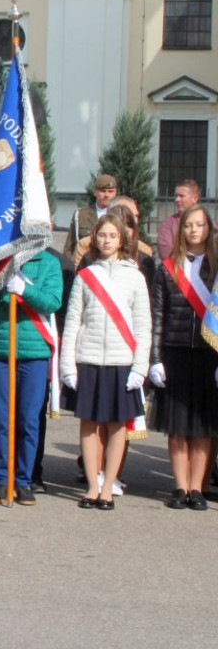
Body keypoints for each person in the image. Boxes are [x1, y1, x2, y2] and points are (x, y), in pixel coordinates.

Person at [61, 214, 150, 510]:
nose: (107, 240)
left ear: (122, 239)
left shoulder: (135, 277)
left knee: (116, 426)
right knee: (88, 424)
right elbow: (73, 321)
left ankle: (109, 486)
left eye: (112, 235)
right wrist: (68, 366)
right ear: (95, 239)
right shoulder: (86, 275)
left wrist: (140, 368)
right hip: (89, 359)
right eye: (102, 235)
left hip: (121, 361)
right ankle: (91, 486)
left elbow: (143, 326)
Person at [0, 249, 63, 506]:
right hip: (3, 348)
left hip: (34, 350)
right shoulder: (0, 259)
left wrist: (25, 291)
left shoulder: (49, 263)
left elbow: (53, 301)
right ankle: (3, 478)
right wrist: (3, 287)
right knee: (2, 418)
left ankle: (24, 480)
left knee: (28, 420)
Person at [149, 204, 218, 510]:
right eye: (189, 225)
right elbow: (157, 315)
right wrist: (154, 358)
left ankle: (197, 487)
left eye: (200, 225)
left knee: (203, 425)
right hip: (174, 352)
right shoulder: (167, 267)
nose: (193, 230)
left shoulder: (216, 268)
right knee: (177, 425)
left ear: (209, 229)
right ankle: (179, 486)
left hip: (209, 354)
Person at [63, 174, 117, 258]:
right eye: (103, 191)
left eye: (110, 191)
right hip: (84, 265)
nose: (106, 195)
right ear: (95, 192)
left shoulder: (120, 216)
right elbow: (69, 247)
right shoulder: (81, 215)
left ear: (115, 193)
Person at [157, 179, 201, 261]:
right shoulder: (167, 224)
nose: (177, 200)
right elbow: (165, 253)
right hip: (176, 271)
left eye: (181, 196)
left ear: (195, 198)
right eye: (176, 196)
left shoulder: (207, 224)